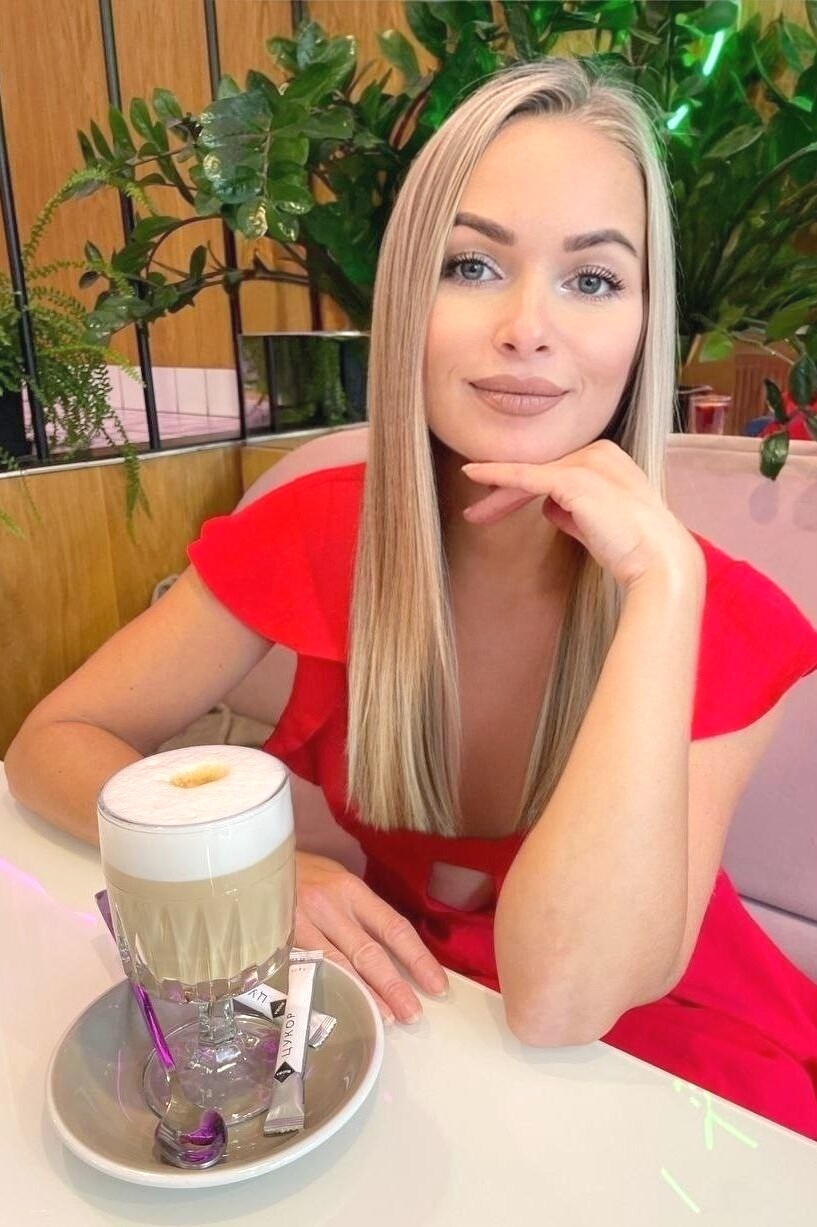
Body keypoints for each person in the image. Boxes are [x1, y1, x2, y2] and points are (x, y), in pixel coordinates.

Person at [7, 59, 817, 1139]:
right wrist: (260, 880)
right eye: (471, 264)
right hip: (413, 1024)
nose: (527, 327)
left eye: (592, 280)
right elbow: (52, 741)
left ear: (641, 328)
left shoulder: (718, 610)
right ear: (405, 301)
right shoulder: (317, 530)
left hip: (664, 1063)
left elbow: (562, 1002)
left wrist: (665, 588)